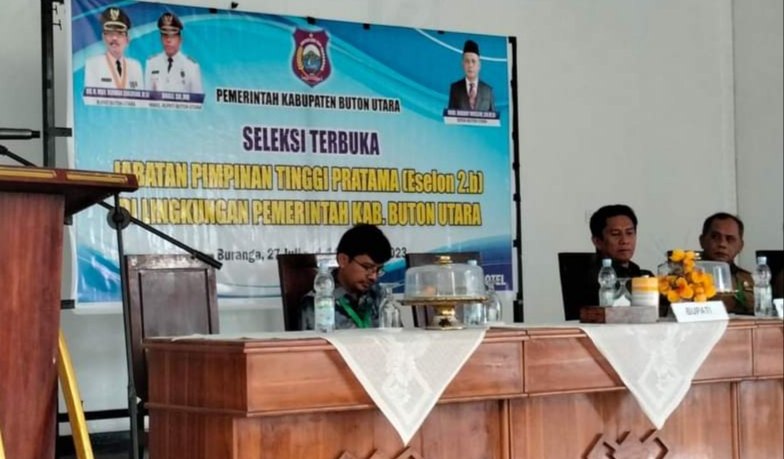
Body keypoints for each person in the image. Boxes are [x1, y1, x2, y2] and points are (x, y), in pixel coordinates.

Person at [300, 224, 392, 330]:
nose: (374, 277)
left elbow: (397, 335)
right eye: (367, 267)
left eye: (378, 270)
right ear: (343, 260)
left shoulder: (378, 294)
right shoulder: (318, 302)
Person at [569, 204, 653, 317]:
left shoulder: (643, 276)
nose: (625, 241)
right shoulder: (590, 278)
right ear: (597, 241)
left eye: (629, 233)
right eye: (615, 234)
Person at [699, 212, 754, 314]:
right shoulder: (685, 278)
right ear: (702, 241)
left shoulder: (751, 281)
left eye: (730, 239)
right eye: (715, 237)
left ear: (740, 246)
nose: (722, 244)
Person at [84, 7, 144, 90]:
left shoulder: (135, 67)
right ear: (103, 37)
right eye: (110, 33)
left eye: (119, 33)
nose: (114, 38)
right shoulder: (93, 65)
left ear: (127, 39)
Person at [145, 12, 203, 94]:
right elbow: (147, 96)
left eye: (172, 36)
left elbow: (197, 99)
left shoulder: (191, 66)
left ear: (180, 39)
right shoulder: (151, 63)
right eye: (165, 36)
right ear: (161, 39)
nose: (168, 40)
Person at [447, 40, 495, 112]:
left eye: (473, 61)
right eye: (467, 61)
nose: (470, 65)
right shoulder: (455, 88)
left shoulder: (488, 91)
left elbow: (493, 117)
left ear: (479, 65)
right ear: (462, 64)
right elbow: (450, 115)